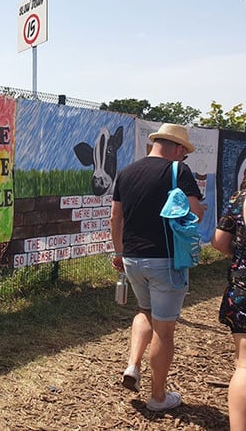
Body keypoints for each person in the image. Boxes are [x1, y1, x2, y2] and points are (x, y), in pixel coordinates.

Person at [110, 123, 203, 412]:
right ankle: (158, 397)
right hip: (166, 261)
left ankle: (132, 366)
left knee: (144, 311)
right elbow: (195, 213)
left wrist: (119, 252)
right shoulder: (178, 172)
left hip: (133, 259)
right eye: (183, 153)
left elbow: (115, 218)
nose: (183, 159)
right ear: (177, 148)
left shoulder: (126, 173)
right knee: (164, 330)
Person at [212, 174, 246, 430]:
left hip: (243, 288)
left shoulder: (238, 200)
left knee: (244, 365)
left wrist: (240, 256)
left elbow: (220, 242)